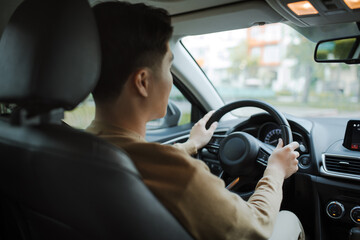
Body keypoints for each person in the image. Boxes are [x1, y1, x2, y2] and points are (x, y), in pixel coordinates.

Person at [86, 2, 305, 240]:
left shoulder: (72, 143)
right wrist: (275, 170)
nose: (170, 78)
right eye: (169, 66)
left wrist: (191, 144)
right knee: (289, 220)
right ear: (143, 82)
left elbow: (136, 156)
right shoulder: (179, 174)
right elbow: (256, 227)